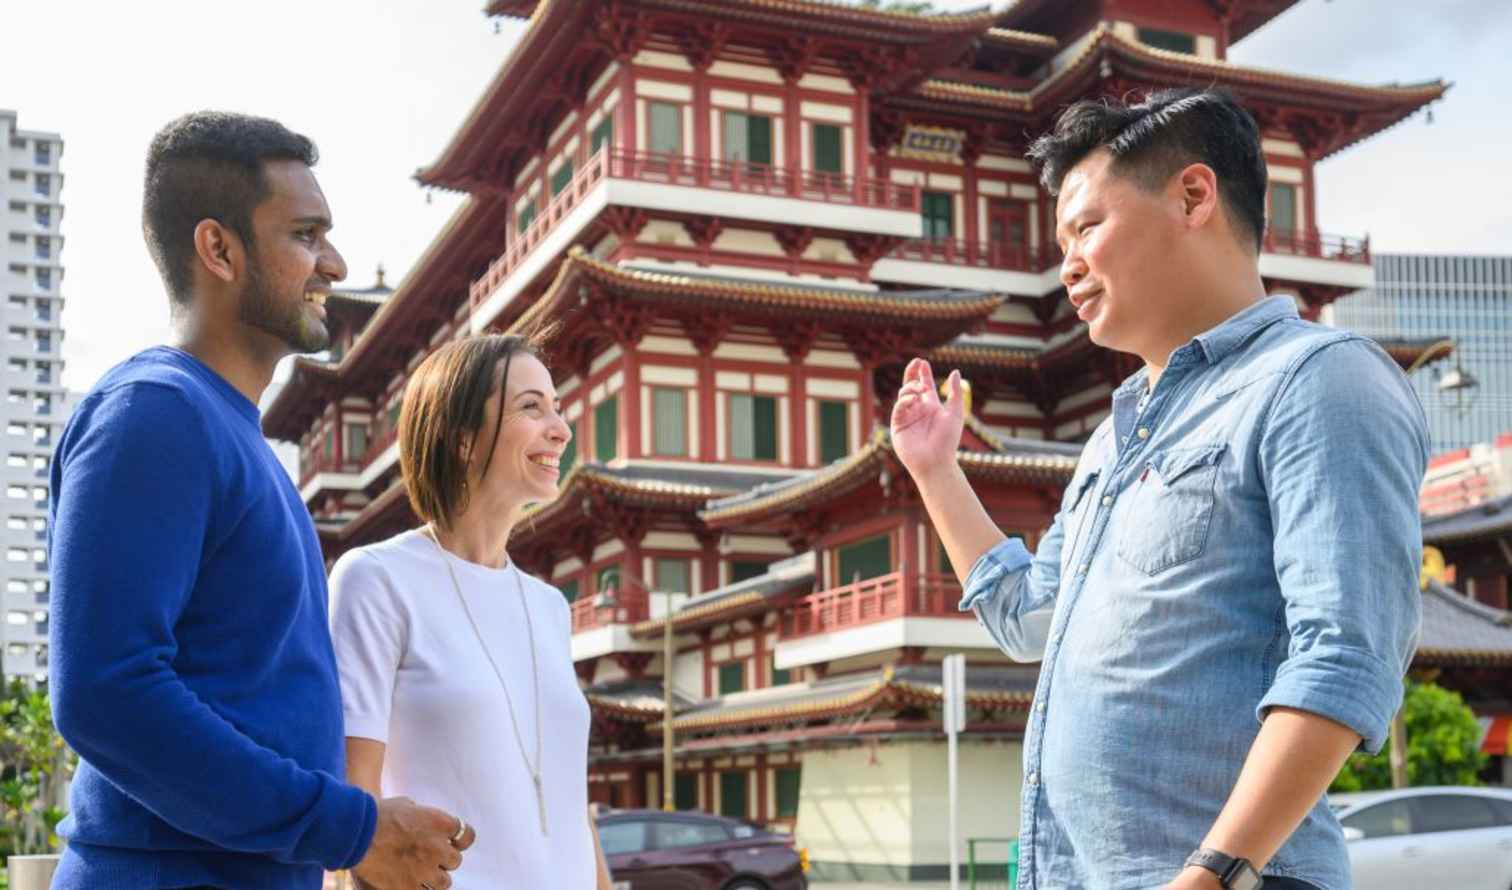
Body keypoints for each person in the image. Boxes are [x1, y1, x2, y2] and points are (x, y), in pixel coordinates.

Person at [891, 89, 1427, 890]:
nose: (1066, 264)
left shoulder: (1318, 380)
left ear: (1193, 196)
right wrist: (936, 471)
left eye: (1087, 228)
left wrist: (1212, 875)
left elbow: (1346, 655)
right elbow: (1034, 617)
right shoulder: (1111, 439)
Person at [48, 111, 474, 890]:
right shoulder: (154, 413)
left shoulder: (243, 442)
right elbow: (106, 693)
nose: (335, 263)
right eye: (307, 235)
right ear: (219, 248)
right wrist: (351, 827)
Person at [328, 334, 614, 890]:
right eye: (531, 407)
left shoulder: (550, 607)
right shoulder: (378, 579)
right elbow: (351, 806)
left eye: (557, 407)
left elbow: (569, 805)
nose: (561, 427)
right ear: (461, 438)